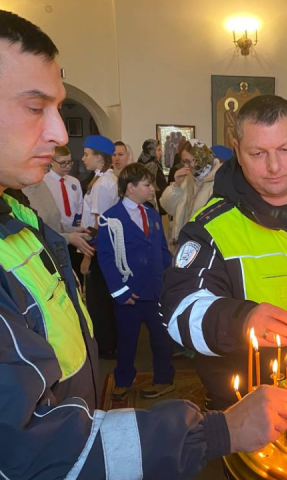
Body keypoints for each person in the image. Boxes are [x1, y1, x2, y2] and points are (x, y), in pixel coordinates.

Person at [0, 8, 287, 480]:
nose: (59, 132)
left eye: (57, 107)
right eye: (34, 107)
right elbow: (25, 451)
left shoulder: (4, 209)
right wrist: (217, 431)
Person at [161, 95, 287, 410]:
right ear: (238, 150)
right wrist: (241, 321)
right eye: (258, 153)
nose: (274, 167)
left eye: (285, 150)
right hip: (257, 408)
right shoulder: (213, 227)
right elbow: (179, 310)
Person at [97, 164, 175, 401]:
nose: (152, 189)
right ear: (130, 188)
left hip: (155, 290)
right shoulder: (110, 218)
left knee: (162, 339)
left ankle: (164, 378)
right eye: (147, 185)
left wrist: (170, 278)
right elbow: (107, 257)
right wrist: (120, 292)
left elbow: (161, 248)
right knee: (127, 340)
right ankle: (123, 380)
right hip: (129, 293)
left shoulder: (151, 214)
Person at [80, 135, 119, 358]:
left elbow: (99, 224)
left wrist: (87, 255)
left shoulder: (103, 184)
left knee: (99, 299)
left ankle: (106, 345)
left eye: (87, 154)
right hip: (99, 245)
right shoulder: (101, 179)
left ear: (99, 158)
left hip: (99, 248)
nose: (83, 158)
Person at [160, 139, 221, 246]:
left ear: (201, 157)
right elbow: (167, 207)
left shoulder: (218, 180)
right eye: (184, 162)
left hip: (204, 245)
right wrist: (176, 186)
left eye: (189, 161)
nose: (186, 166)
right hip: (183, 244)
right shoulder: (186, 179)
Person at [42, 145, 87, 282]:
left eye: (69, 162)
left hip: (73, 231)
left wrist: (77, 222)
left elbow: (79, 205)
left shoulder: (74, 182)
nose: (67, 166)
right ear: (51, 162)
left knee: (75, 272)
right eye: (63, 163)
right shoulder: (43, 182)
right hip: (55, 233)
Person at [137, 138, 167, 213]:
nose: (161, 153)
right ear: (152, 151)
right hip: (152, 203)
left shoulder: (143, 164)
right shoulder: (152, 165)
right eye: (158, 150)